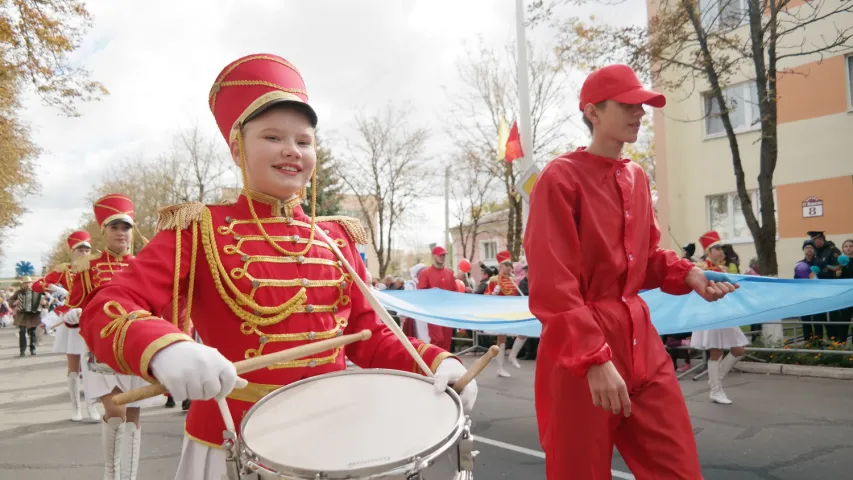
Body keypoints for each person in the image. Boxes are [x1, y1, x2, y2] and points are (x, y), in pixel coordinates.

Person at [80, 54, 476, 480]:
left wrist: (437, 362)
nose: (292, 151)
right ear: (237, 148)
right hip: (233, 443)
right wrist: (165, 348)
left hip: (338, 440)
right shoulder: (197, 229)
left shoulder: (334, 238)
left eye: (303, 142)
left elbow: (372, 334)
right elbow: (108, 306)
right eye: (272, 137)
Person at [524, 64, 738, 480]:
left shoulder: (637, 177)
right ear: (593, 112)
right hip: (580, 350)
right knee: (578, 472)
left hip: (641, 340)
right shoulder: (561, 178)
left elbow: (646, 255)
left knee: (677, 469)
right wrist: (592, 359)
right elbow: (554, 284)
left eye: (641, 105)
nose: (639, 113)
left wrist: (688, 274)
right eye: (627, 104)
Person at [69, 194, 150, 480]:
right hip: (101, 349)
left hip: (136, 346)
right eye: (114, 227)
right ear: (103, 231)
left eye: (125, 227)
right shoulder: (88, 267)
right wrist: (73, 313)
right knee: (116, 414)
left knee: (134, 418)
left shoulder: (145, 266)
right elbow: (74, 302)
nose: (120, 233)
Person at [32, 230, 101, 422]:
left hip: (92, 318)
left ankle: (92, 406)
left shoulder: (97, 268)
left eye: (87, 249)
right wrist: (54, 288)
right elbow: (37, 285)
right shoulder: (64, 270)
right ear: (72, 251)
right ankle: (75, 408)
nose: (84, 253)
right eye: (80, 249)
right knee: (73, 366)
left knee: (92, 366)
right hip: (70, 319)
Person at [690, 231, 749, 404]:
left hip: (725, 313)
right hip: (711, 313)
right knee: (716, 351)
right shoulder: (700, 267)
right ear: (708, 251)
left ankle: (715, 379)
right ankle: (716, 390)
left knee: (739, 350)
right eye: (716, 248)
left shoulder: (724, 269)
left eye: (721, 248)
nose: (721, 252)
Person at [488, 250, 526, 377]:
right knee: (501, 339)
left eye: (510, 265)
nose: (509, 267)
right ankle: (500, 368)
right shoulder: (494, 279)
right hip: (500, 312)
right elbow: (485, 299)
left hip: (512, 312)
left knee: (524, 332)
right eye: (506, 265)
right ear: (500, 266)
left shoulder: (514, 280)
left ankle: (512, 355)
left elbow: (516, 296)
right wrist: (493, 293)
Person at [809, 231, 848, 342]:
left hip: (831, 289)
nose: (813, 242)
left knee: (832, 316)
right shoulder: (815, 252)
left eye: (815, 240)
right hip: (818, 290)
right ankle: (818, 342)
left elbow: (839, 267)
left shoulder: (832, 250)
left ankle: (834, 341)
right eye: (812, 240)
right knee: (818, 317)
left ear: (821, 239)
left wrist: (825, 266)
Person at [418, 245, 457, 351]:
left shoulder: (449, 273)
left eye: (444, 255)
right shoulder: (425, 273)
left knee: (447, 341)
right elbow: (420, 293)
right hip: (433, 313)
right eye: (440, 255)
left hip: (447, 313)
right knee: (438, 339)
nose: (442, 257)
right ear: (433, 256)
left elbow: (455, 292)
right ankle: (434, 362)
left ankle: (444, 364)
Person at [12, 276, 45, 356]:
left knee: (32, 332)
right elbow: (11, 300)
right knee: (22, 331)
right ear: (22, 284)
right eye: (25, 283)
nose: (27, 284)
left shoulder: (37, 291)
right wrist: (14, 302)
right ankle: (22, 350)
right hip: (22, 315)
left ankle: (32, 349)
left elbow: (45, 301)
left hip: (33, 315)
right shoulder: (18, 292)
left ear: (31, 283)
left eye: (29, 283)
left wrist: (44, 303)